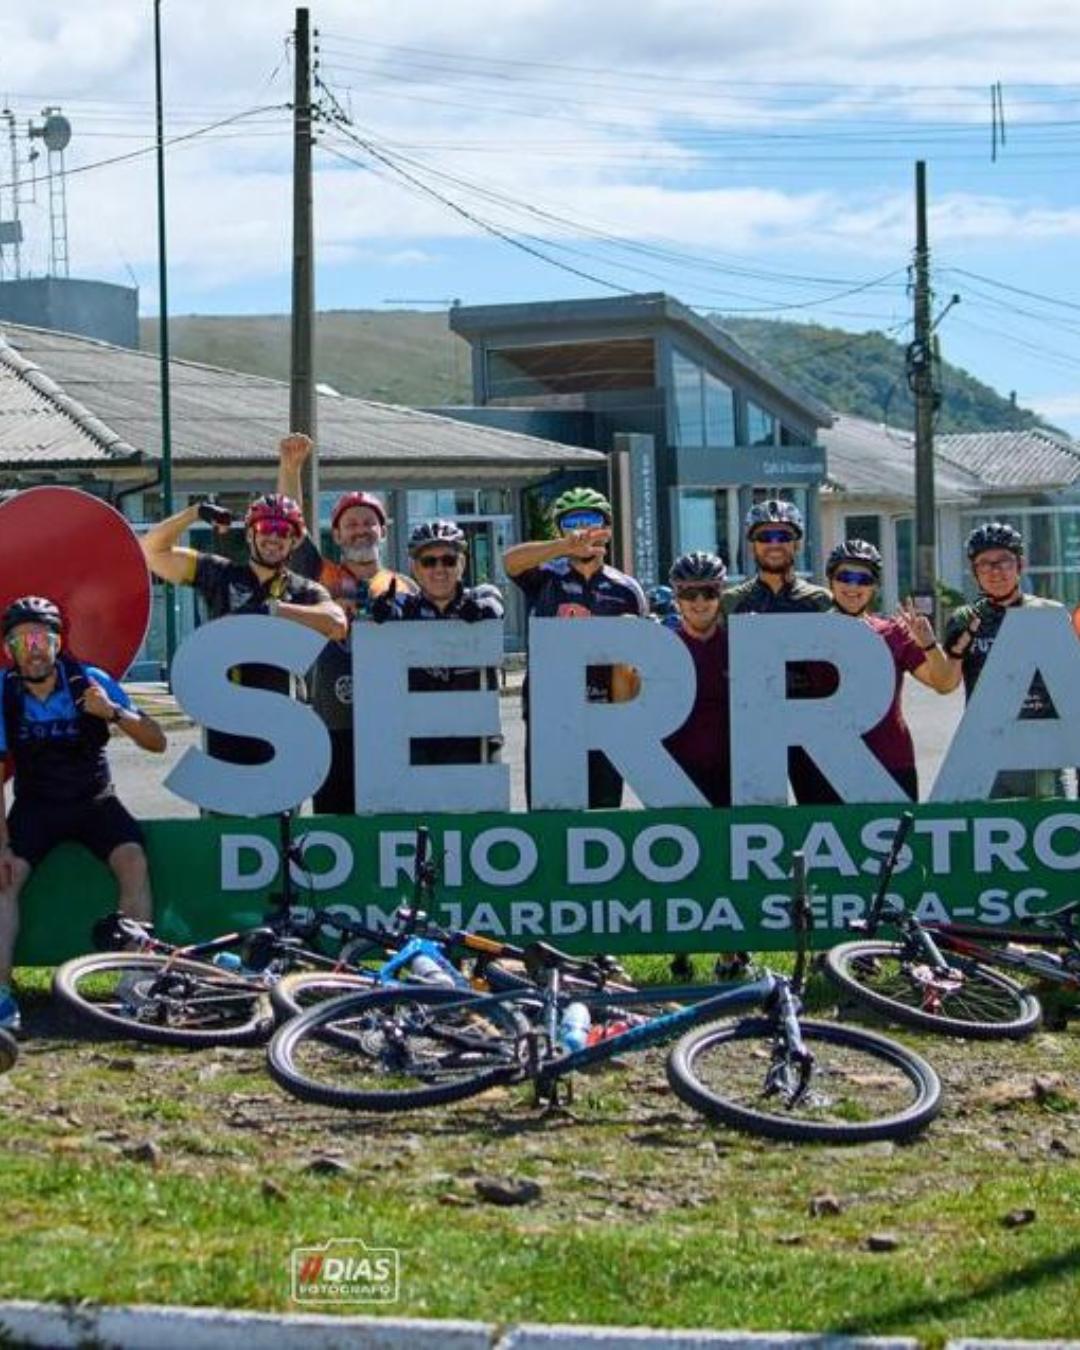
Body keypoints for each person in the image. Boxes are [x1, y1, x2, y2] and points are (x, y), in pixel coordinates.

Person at [0, 596, 167, 1032]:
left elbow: (157, 742)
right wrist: (1, 846)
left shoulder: (90, 680)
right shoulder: (3, 691)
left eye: (42, 639)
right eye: (22, 642)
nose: (34, 650)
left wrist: (113, 712)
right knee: (5, 879)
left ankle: (134, 985)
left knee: (133, 861)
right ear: (9, 649)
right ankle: (1, 996)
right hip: (36, 805)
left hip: (94, 800)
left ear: (58, 643)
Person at [141, 492, 347, 767]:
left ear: (294, 541)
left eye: (283, 531)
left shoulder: (303, 589)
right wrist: (194, 513)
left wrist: (274, 610)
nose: (273, 537)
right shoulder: (220, 573)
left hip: (285, 717)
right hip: (227, 717)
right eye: (265, 527)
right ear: (250, 533)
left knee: (281, 792)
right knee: (225, 793)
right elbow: (151, 552)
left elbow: (338, 624)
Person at [276, 433, 414, 812]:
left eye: (369, 522)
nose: (360, 529)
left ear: (383, 531)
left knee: (390, 822)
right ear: (336, 534)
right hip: (334, 724)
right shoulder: (319, 576)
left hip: (394, 723)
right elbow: (291, 529)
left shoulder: (407, 586)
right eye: (350, 524)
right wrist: (290, 467)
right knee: (336, 822)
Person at [503, 486, 647, 809]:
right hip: (549, 712)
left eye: (590, 521)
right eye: (571, 523)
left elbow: (638, 661)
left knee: (603, 814)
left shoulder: (627, 589)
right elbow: (509, 562)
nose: (582, 531)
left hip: (605, 713)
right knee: (548, 814)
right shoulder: (545, 576)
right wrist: (562, 546)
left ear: (607, 528)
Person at [819, 540, 952, 801]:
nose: (853, 586)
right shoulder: (807, 636)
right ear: (830, 581)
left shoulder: (893, 632)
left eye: (863, 579)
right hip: (829, 764)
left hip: (891, 761)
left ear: (874, 587)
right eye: (845, 577)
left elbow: (943, 683)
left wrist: (928, 644)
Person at [942, 522, 1066, 799]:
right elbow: (947, 683)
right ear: (975, 571)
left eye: (1004, 561)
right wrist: (945, 648)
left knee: (1048, 824)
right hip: (985, 751)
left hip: (1040, 752)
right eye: (985, 564)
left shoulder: (1049, 613)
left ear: (1020, 565)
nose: (995, 571)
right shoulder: (965, 619)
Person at [721, 499, 832, 803]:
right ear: (751, 545)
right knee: (758, 812)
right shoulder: (730, 602)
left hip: (811, 723)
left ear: (797, 543)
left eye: (783, 536)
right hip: (753, 722)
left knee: (819, 808)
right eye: (764, 536)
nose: (774, 544)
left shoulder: (821, 601)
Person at [373, 520, 504, 765]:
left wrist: (477, 609)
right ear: (415, 568)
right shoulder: (405, 605)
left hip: (474, 738)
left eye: (448, 560)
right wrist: (384, 611)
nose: (439, 569)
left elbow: (494, 605)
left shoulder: (479, 595)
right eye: (429, 562)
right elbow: (392, 610)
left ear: (462, 564)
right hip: (419, 738)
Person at [662, 551, 731, 808]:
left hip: (735, 777)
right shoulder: (661, 650)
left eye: (709, 592)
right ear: (676, 597)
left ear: (721, 594)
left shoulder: (741, 646)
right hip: (675, 776)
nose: (699, 601)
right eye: (690, 593)